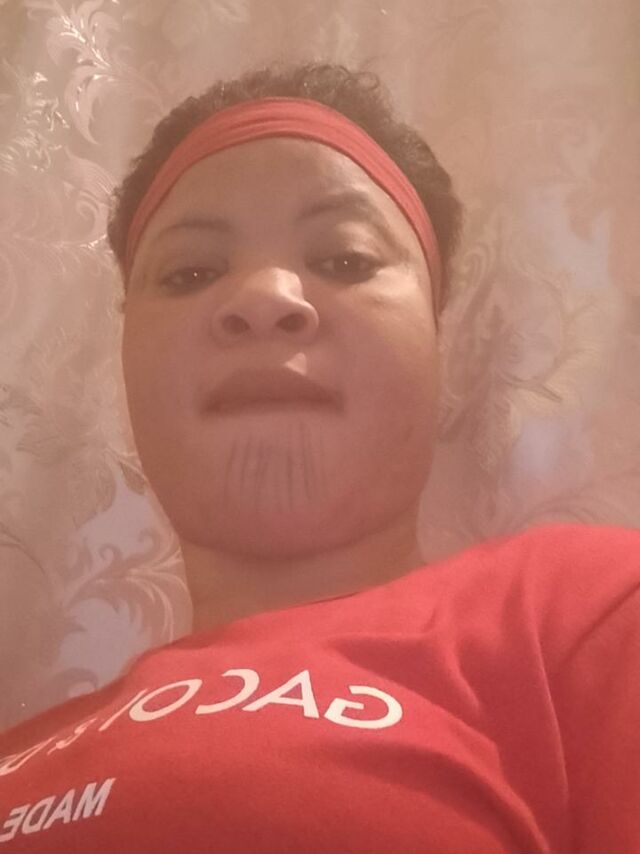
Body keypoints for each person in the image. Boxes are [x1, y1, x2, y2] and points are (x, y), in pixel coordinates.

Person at [0, 60, 638, 853]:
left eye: (345, 260)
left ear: (436, 338)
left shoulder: (589, 620)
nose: (264, 298)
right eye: (191, 271)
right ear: (127, 351)